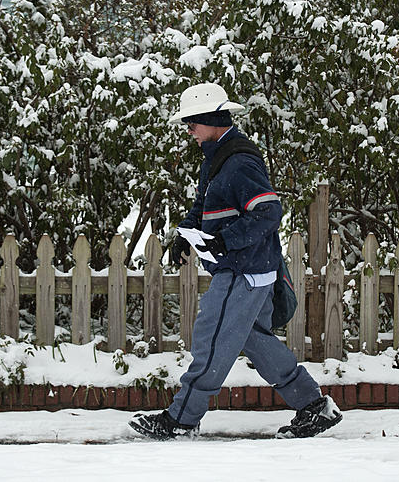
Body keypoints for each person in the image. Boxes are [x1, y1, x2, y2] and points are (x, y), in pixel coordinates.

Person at [129, 82, 342, 440]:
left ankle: (181, 419)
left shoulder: (240, 161)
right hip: (250, 267)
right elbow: (205, 206)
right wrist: (186, 232)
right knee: (255, 340)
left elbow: (268, 212)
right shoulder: (218, 156)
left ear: (210, 118)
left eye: (191, 123)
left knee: (211, 340)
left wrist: (223, 241)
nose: (189, 131)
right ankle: (314, 406)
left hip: (242, 269)